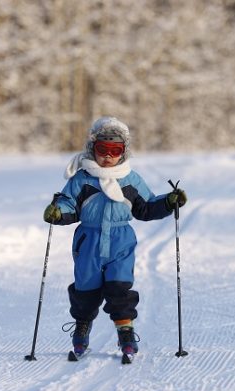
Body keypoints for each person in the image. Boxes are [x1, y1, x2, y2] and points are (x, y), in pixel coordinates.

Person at [43, 116, 187, 364]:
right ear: (92, 148)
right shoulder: (82, 179)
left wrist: (168, 202)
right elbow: (69, 206)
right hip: (89, 241)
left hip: (121, 241)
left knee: (119, 288)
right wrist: (59, 212)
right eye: (102, 150)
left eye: (115, 150)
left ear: (124, 152)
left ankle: (125, 332)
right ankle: (82, 328)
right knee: (85, 289)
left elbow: (146, 206)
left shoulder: (131, 179)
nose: (108, 156)